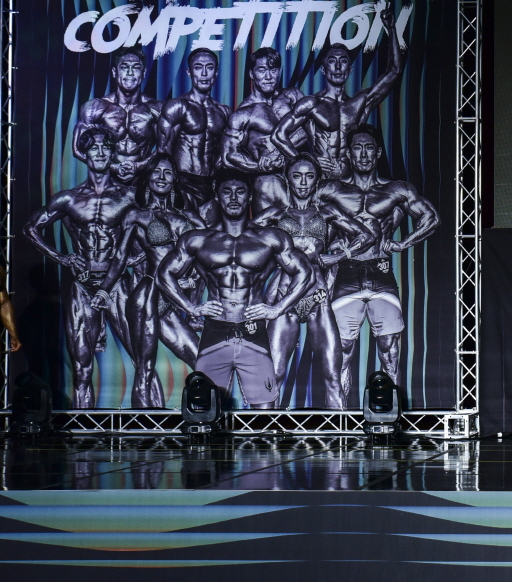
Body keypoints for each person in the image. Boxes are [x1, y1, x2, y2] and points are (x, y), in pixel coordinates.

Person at [155, 169, 312, 410]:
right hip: (215, 331)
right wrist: (190, 308)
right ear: (217, 196)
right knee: (204, 409)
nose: (234, 197)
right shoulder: (198, 240)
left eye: (240, 191)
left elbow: (305, 272)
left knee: (265, 412)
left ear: (250, 196)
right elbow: (163, 274)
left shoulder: (270, 238)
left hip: (253, 331)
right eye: (227, 192)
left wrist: (277, 309)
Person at [315, 125, 439, 404]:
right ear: (348, 154)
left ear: (378, 152)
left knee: (389, 348)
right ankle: (341, 420)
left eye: (369, 148)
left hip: (381, 273)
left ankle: (391, 415)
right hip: (346, 275)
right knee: (341, 351)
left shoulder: (396, 190)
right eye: (357, 148)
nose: (363, 154)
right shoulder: (331, 190)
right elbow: (305, 222)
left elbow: (431, 218)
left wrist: (403, 243)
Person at [23, 129, 136, 408]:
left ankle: (154, 422)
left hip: (117, 282)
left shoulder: (129, 196)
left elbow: (157, 233)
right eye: (94, 148)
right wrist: (61, 257)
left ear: (113, 153)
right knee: (82, 368)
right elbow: (30, 228)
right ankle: (83, 427)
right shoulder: (69, 199)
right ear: (84, 155)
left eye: (105, 147)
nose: (100, 152)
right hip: (83, 286)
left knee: (142, 359)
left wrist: (133, 259)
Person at [257, 153, 368, 408]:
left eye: (309, 176)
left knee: (332, 377)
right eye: (297, 176)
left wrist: (339, 255)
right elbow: (241, 238)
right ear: (288, 180)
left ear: (317, 180)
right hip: (285, 297)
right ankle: (263, 430)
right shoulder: (274, 215)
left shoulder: (327, 213)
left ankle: (340, 432)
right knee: (274, 375)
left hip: (317, 297)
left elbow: (366, 235)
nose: (303, 182)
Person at [112, 154, 205, 407]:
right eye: (157, 172)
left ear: (175, 179)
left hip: (174, 299)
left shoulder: (189, 217)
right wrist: (103, 290)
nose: (162, 177)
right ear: (148, 178)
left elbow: (206, 258)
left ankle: (200, 418)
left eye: (168, 172)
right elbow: (120, 257)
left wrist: (193, 290)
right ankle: (142, 426)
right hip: (149, 295)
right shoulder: (136, 215)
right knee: (145, 368)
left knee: (202, 361)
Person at [273, 7, 404, 183]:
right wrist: (306, 162)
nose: (337, 67)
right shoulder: (311, 104)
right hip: (321, 183)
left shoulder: (360, 103)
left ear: (349, 70)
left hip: (352, 184)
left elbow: (394, 71)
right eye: (332, 61)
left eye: (343, 61)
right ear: (323, 69)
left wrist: (392, 29)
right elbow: (278, 135)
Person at [222, 46, 303, 218]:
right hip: (268, 182)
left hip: (301, 180)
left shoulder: (293, 96)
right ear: (252, 74)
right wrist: (259, 166)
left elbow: (311, 129)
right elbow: (228, 156)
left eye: (273, 70)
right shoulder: (243, 114)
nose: (268, 76)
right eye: (261, 70)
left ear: (279, 71)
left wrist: (278, 152)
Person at [157, 47, 231, 217]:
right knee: (185, 230)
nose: (204, 73)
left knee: (210, 232)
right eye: (198, 67)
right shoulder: (178, 106)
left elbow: (226, 154)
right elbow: (163, 152)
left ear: (216, 72)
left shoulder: (224, 112)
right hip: (183, 182)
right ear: (189, 72)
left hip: (211, 185)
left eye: (209, 67)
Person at [72, 50, 161, 190]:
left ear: (143, 73)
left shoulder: (156, 109)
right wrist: (113, 167)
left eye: (136, 67)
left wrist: (139, 166)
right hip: (106, 182)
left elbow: (166, 147)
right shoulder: (95, 108)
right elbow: (78, 148)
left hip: (143, 181)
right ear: (114, 72)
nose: (130, 73)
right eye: (124, 67)